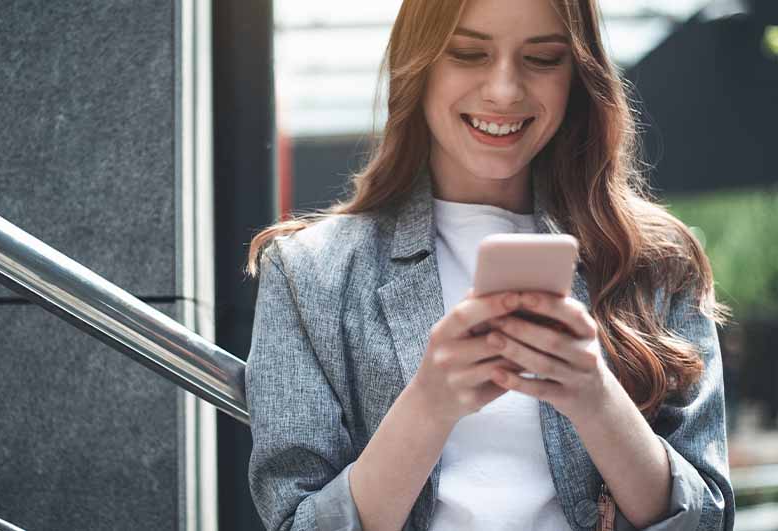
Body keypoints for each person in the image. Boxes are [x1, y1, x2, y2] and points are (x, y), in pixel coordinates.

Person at [244, 0, 735, 529]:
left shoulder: (654, 262)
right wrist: (429, 405)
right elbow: (296, 522)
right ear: (420, 63)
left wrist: (595, 398)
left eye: (543, 59)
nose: (504, 90)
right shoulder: (309, 273)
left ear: (578, 72)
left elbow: (709, 518)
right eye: (468, 54)